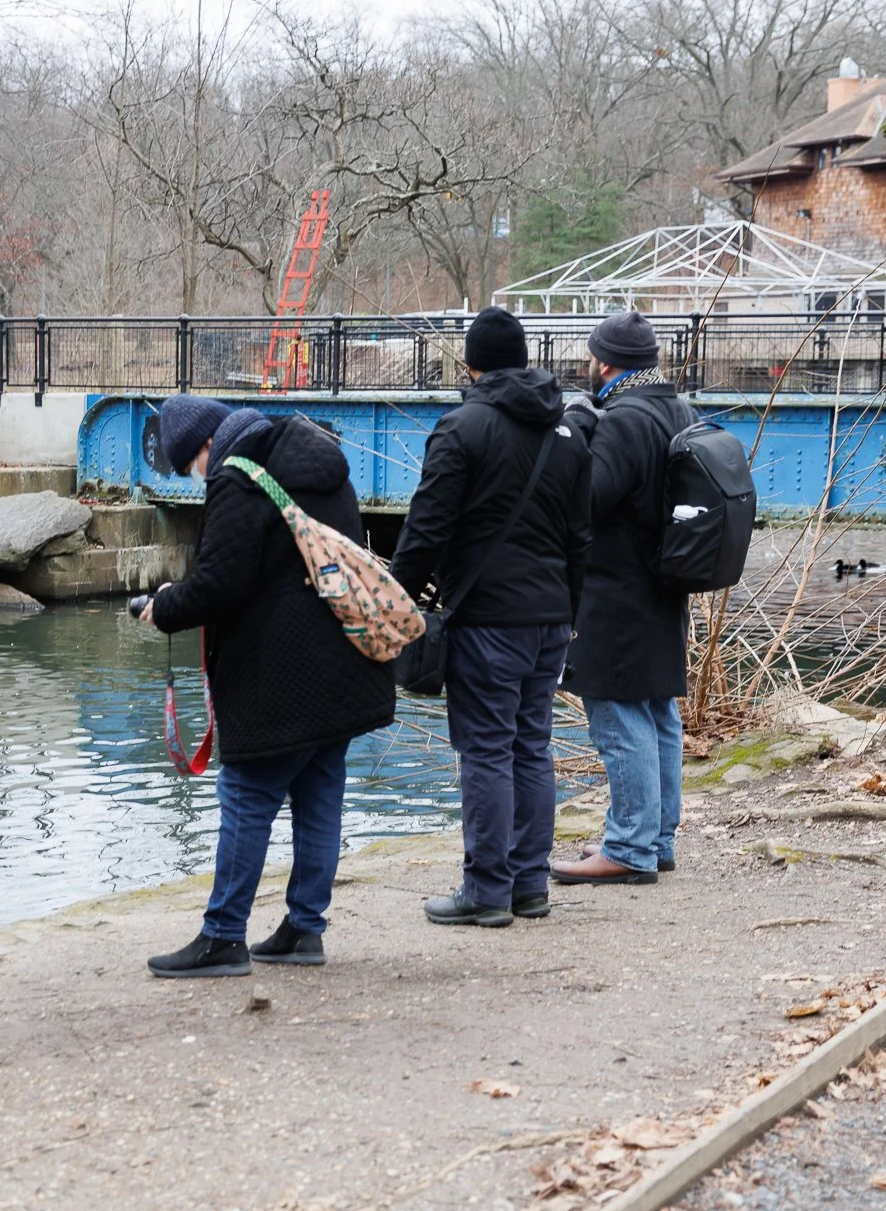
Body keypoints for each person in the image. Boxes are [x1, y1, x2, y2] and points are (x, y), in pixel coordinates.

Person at [138, 394, 396, 977]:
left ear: (206, 446)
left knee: (247, 797)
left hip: (280, 678)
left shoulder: (239, 477)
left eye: (189, 467)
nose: (195, 478)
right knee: (320, 793)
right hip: (345, 664)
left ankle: (223, 935)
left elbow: (221, 584)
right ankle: (305, 928)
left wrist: (165, 608)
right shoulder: (321, 461)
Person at [391, 306, 594, 928]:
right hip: (550, 619)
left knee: (484, 750)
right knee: (531, 747)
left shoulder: (461, 428)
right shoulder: (567, 432)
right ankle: (529, 885)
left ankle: (485, 891)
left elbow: (426, 529)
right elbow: (580, 538)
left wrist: (394, 602)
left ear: (472, 365)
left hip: (486, 620)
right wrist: (570, 611)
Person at [555, 309, 694, 886]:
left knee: (615, 714)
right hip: (665, 585)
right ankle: (656, 838)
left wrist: (579, 428)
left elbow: (588, 500)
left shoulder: (623, 419)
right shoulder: (677, 408)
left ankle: (629, 847)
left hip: (617, 589)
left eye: (592, 358)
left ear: (605, 362)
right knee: (658, 710)